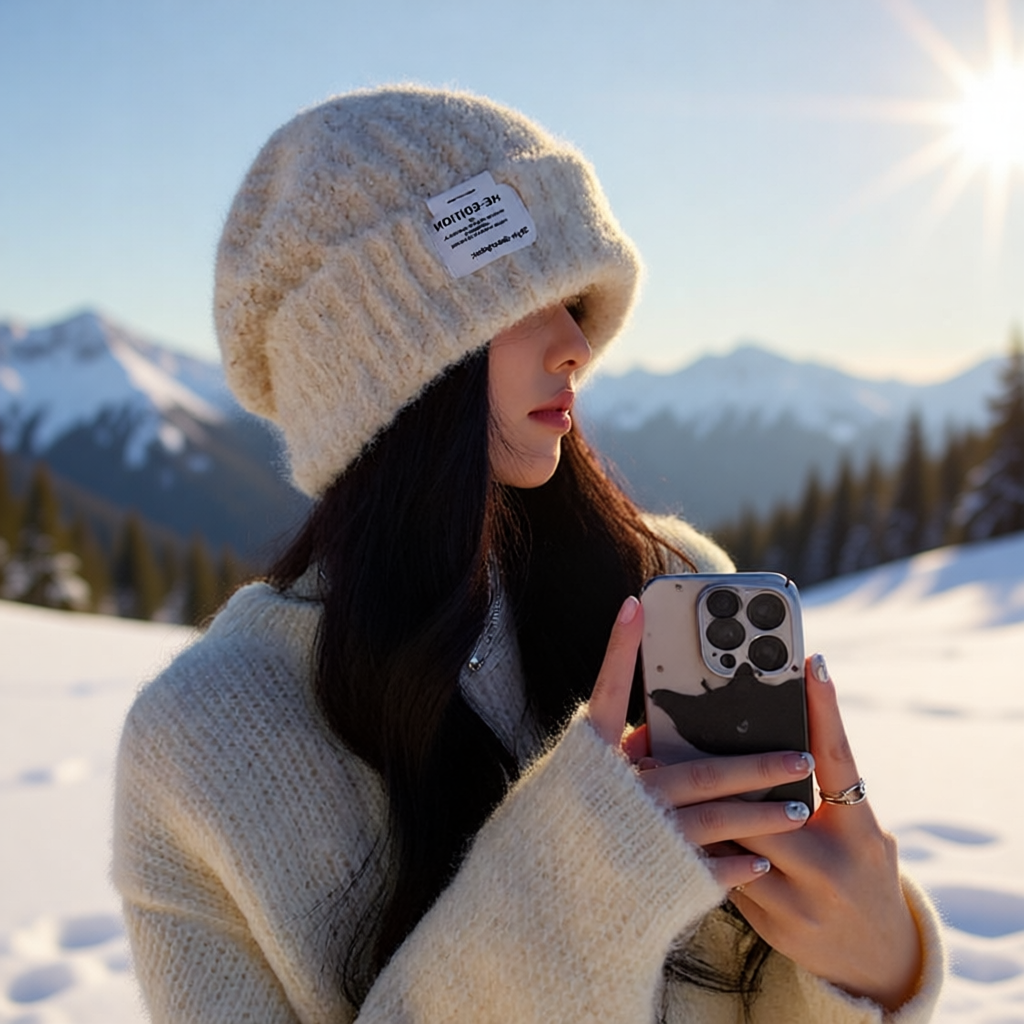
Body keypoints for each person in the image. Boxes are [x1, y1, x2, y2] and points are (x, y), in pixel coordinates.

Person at [113, 85, 944, 1023]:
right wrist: (580, 888)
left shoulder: (669, 581)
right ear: (386, 366)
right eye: (523, 300)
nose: (576, 346)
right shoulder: (202, 742)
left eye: (576, 298)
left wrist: (871, 965)